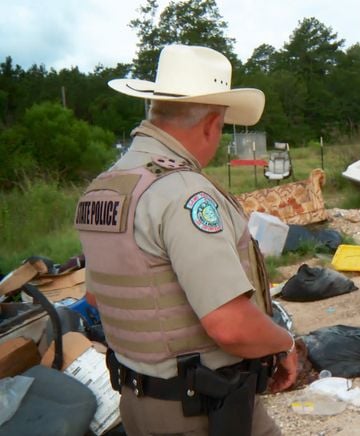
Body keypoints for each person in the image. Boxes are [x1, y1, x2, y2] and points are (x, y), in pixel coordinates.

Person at [75, 44, 297, 436]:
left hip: (137, 401)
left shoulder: (104, 188)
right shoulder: (184, 193)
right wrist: (285, 343)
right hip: (201, 410)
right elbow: (229, 325)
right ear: (212, 124)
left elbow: (96, 297)